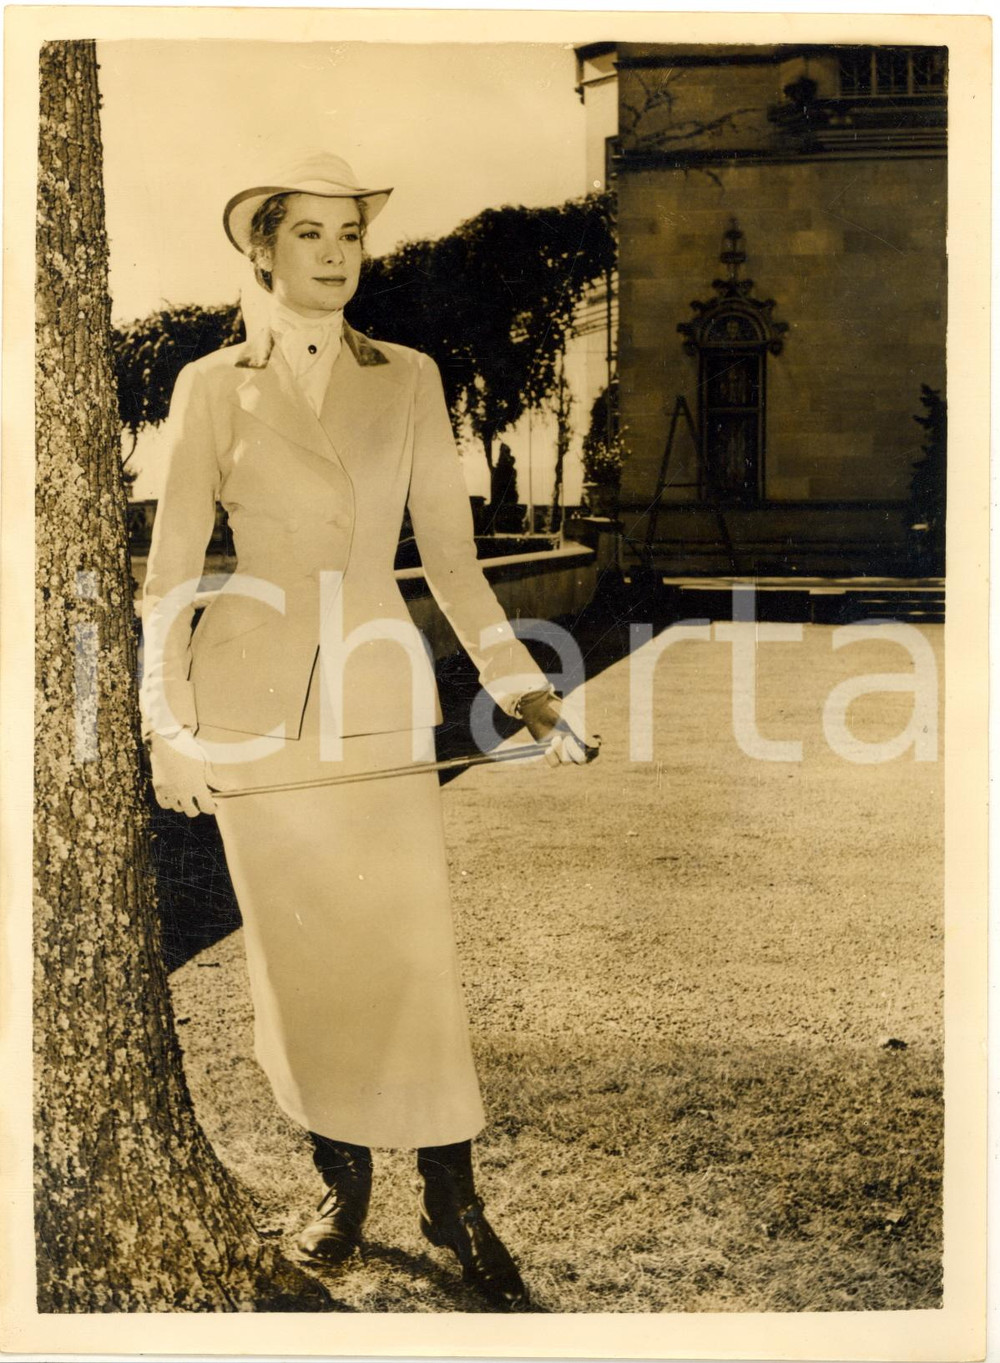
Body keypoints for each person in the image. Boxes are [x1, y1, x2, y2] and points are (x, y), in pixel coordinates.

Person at [140, 153, 599, 1311]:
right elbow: (169, 576)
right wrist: (166, 731)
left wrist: (526, 687)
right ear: (265, 249)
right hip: (247, 718)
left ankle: (455, 1200)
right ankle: (340, 1194)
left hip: (378, 698)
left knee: (409, 959)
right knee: (297, 970)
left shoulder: (408, 377)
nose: (337, 254)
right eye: (311, 234)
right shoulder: (208, 386)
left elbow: (450, 557)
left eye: (351, 234)